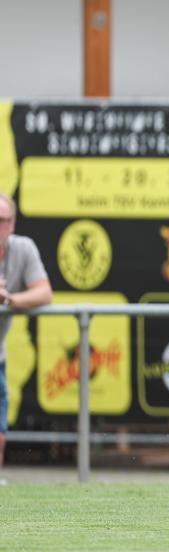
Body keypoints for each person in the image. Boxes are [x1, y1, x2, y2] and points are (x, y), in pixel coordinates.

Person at [0, 193, 53, 480]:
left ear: (13, 223)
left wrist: (9, 299)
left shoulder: (22, 249)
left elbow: (45, 293)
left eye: (4, 221)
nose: (0, 226)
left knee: (0, 437)